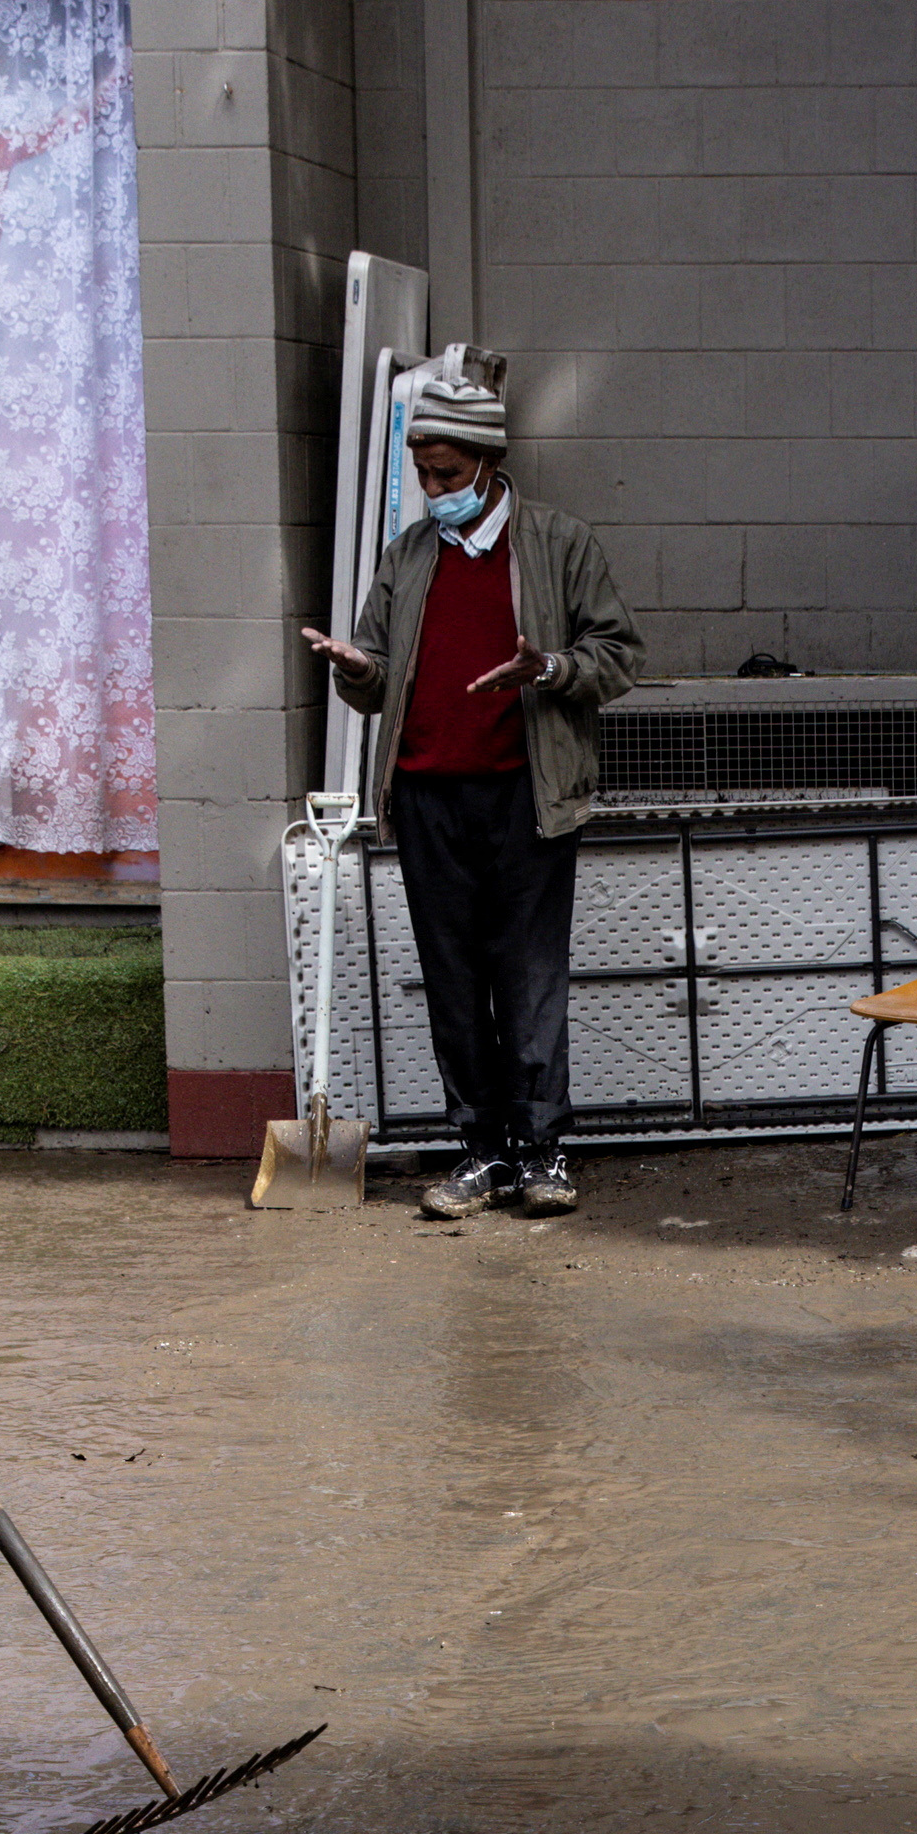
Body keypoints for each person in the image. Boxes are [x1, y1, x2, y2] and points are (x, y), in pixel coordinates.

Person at [303, 369, 642, 1220]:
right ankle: (481, 1154)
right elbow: (381, 671)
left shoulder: (560, 543)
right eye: (423, 473)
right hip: (425, 799)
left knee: (529, 979)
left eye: (447, 474)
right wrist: (357, 671)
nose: (432, 490)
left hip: (526, 798)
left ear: (489, 463)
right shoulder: (411, 555)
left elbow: (620, 655)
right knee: (453, 981)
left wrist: (551, 666)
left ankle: (542, 1152)